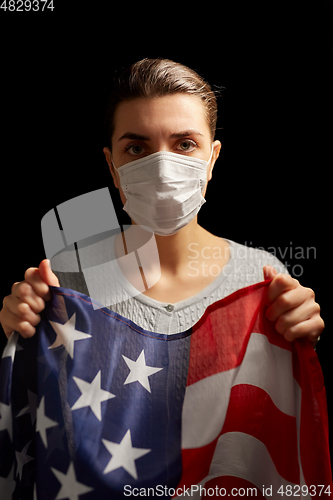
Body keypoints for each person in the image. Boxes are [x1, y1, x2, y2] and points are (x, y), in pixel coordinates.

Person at [0, 58, 324, 345]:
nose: (163, 171)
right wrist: (22, 332)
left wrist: (301, 341)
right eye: (137, 149)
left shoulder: (262, 279)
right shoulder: (67, 278)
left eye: (184, 144)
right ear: (112, 167)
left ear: (212, 160)